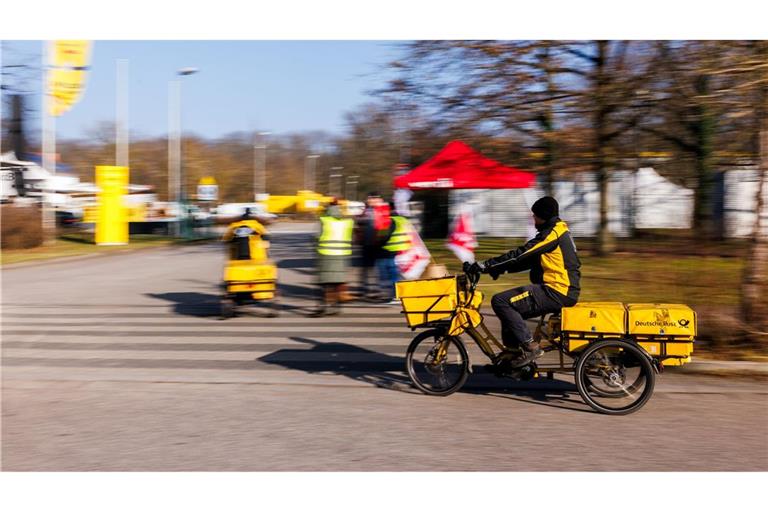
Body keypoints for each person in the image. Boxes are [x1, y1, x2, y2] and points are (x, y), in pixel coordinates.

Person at [467, 196, 581, 366]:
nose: (533, 219)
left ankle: (530, 347)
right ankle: (513, 356)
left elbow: (521, 254)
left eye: (535, 215)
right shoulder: (558, 230)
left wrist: (485, 264)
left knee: (501, 301)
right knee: (510, 310)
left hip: (557, 290)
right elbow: (530, 261)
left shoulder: (551, 235)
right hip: (560, 289)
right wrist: (498, 268)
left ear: (544, 215)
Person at [312, 201, 354, 317]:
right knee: (336, 284)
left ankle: (322, 307)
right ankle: (336, 308)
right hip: (341, 257)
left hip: (326, 256)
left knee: (324, 284)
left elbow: (316, 237)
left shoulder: (324, 221)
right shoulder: (347, 222)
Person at [377, 201, 413, 304]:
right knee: (399, 275)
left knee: (392, 275)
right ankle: (401, 295)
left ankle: (396, 296)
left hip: (392, 250)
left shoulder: (390, 220)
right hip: (404, 250)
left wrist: (380, 244)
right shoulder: (402, 219)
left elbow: (386, 236)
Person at [356, 192, 389, 301]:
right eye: (369, 199)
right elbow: (358, 222)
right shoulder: (366, 210)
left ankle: (378, 290)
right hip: (366, 244)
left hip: (378, 244)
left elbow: (386, 225)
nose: (370, 201)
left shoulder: (383, 210)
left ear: (379, 199)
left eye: (373, 199)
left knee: (378, 268)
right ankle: (364, 289)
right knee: (365, 269)